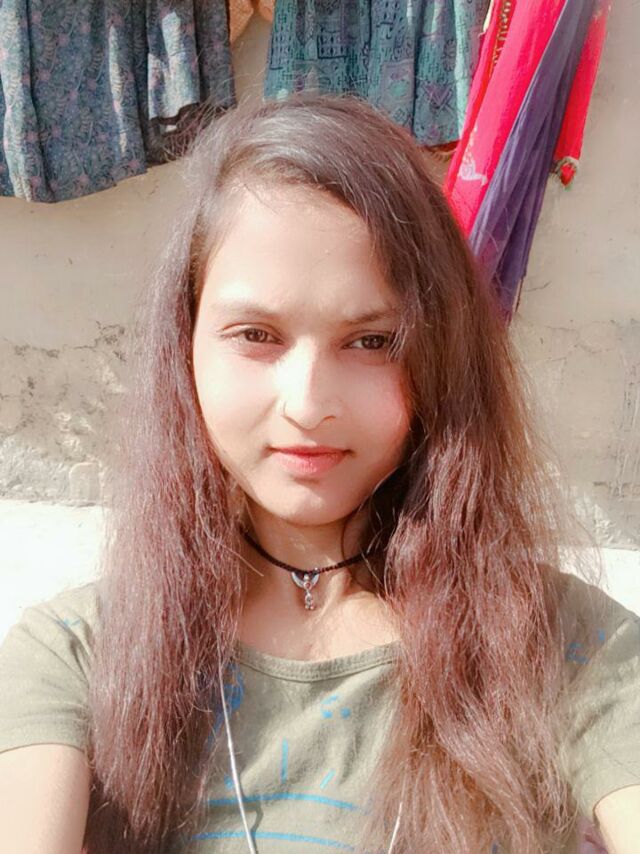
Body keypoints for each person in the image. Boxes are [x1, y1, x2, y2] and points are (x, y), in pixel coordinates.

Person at [0, 93, 638, 854]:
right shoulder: (81, 656)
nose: (307, 405)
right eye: (256, 335)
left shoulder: (571, 646)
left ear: (440, 358)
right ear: (186, 347)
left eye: (371, 341)